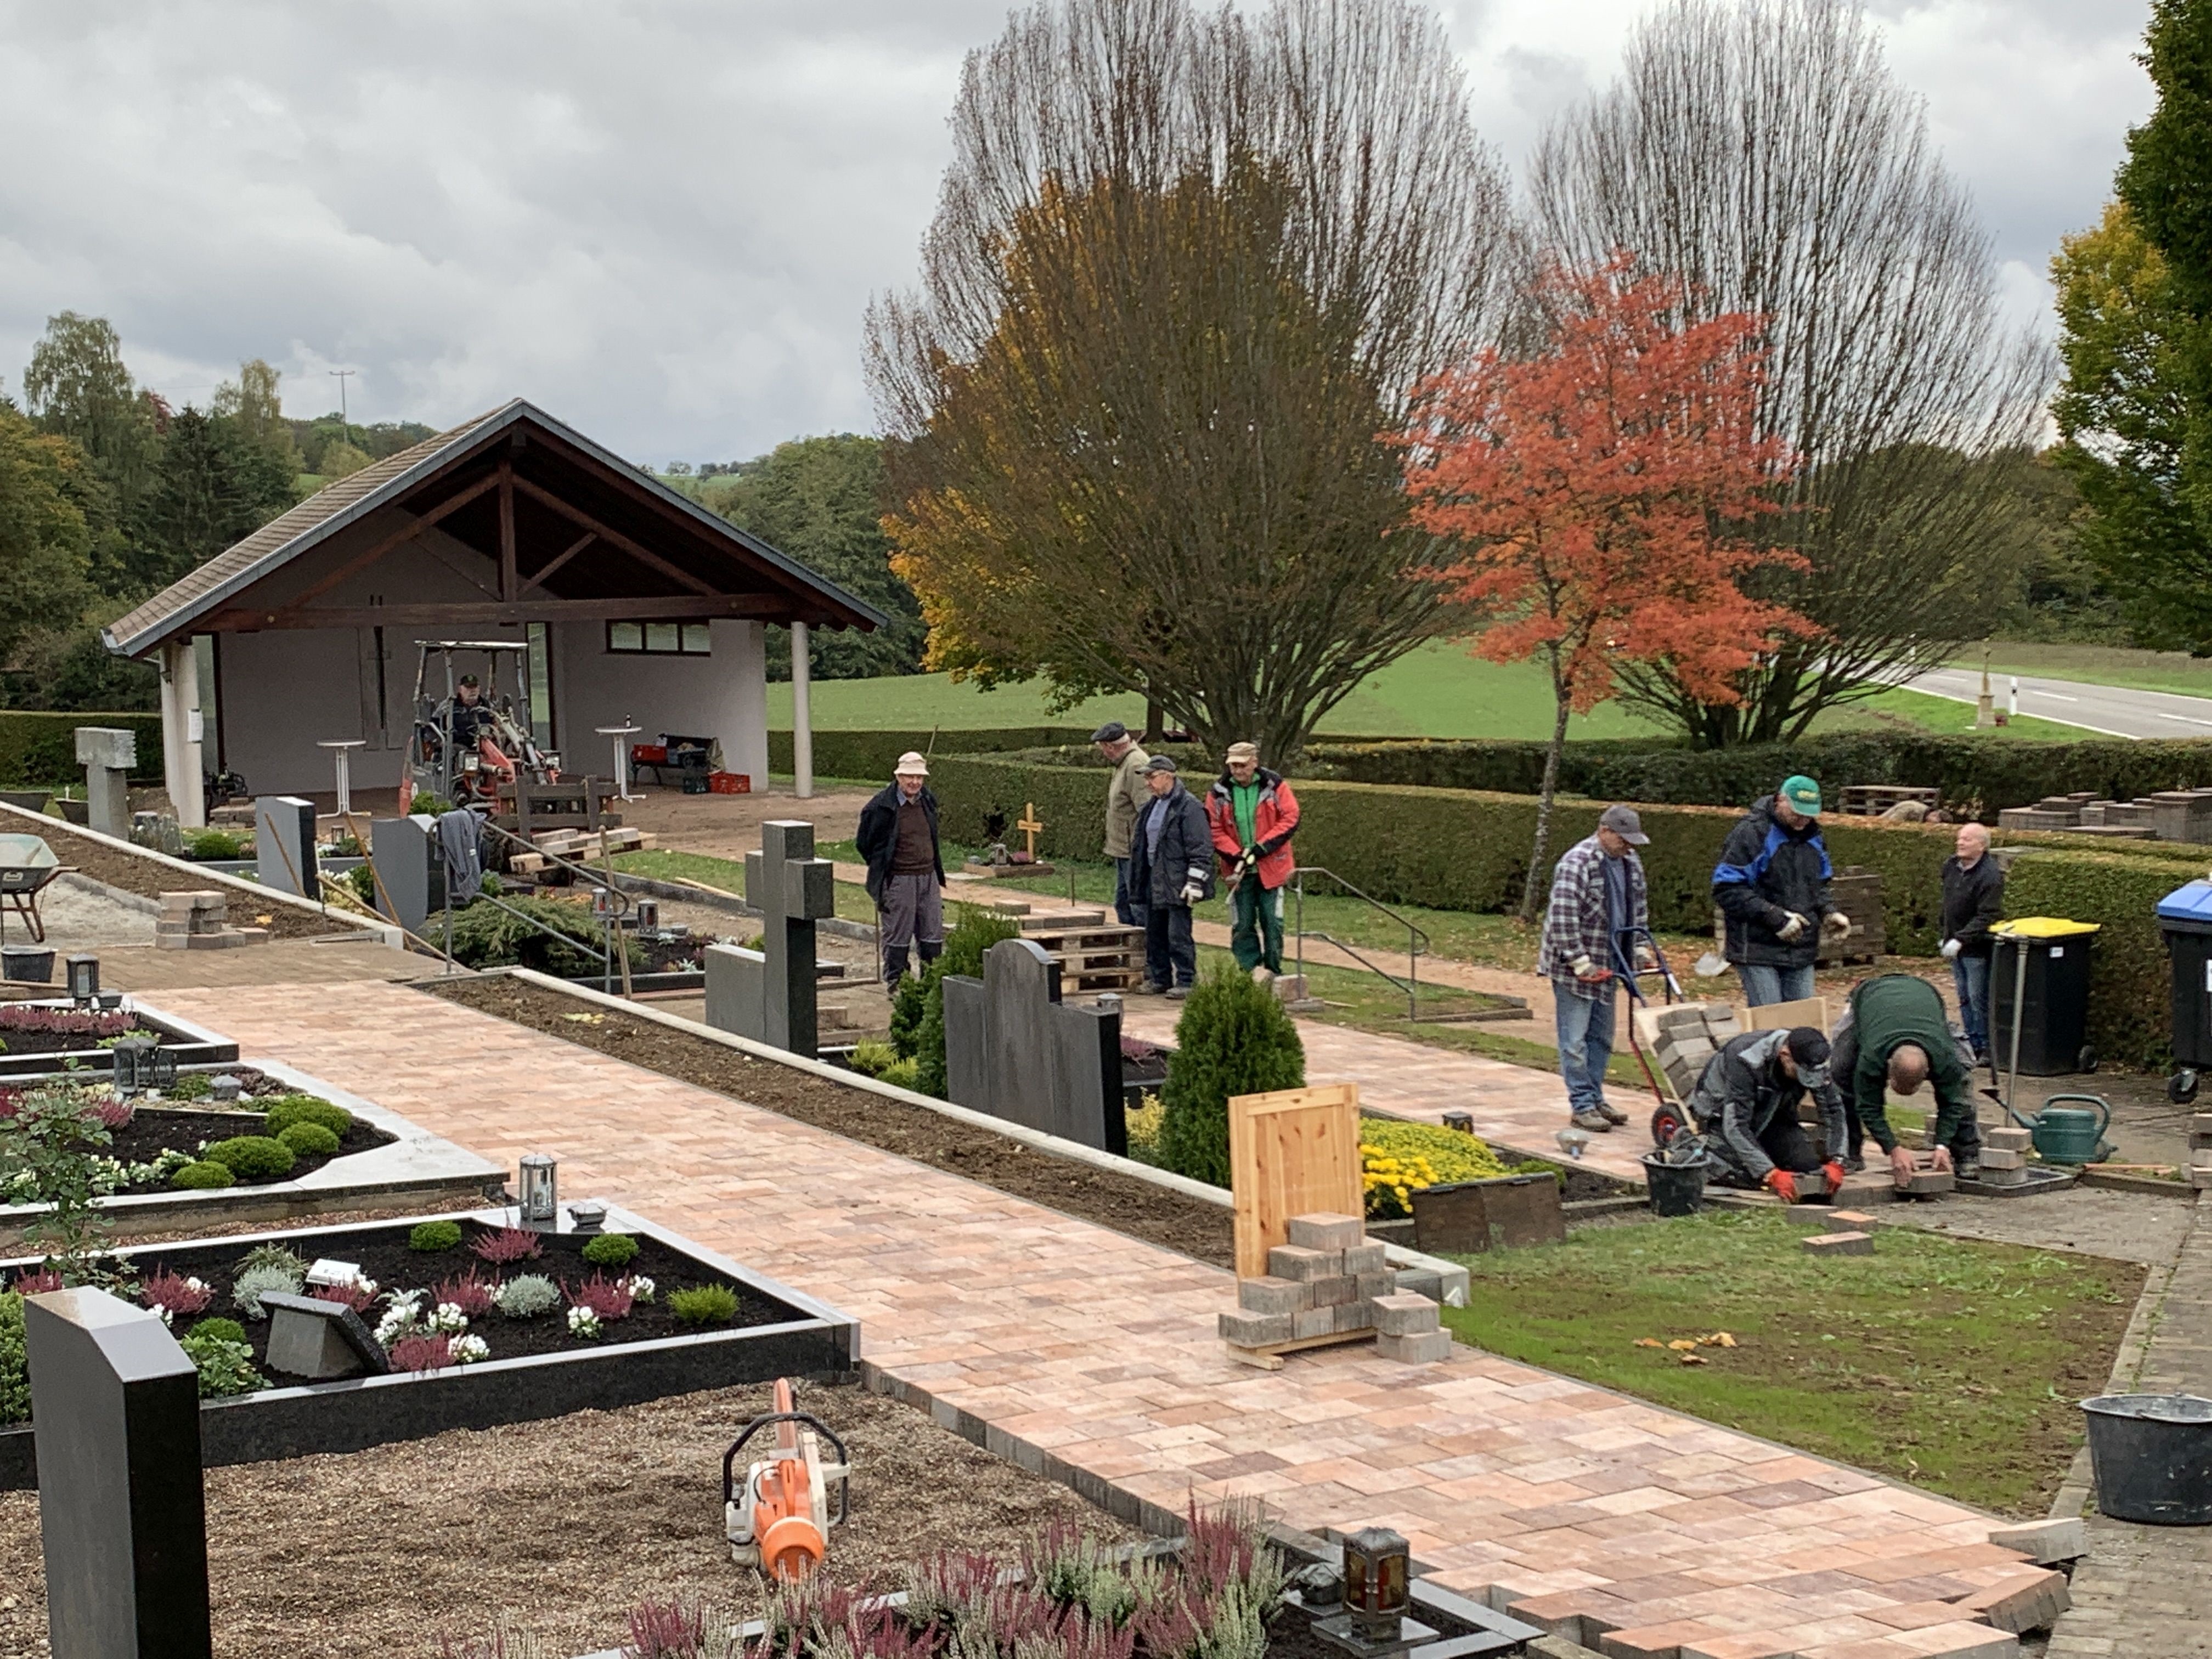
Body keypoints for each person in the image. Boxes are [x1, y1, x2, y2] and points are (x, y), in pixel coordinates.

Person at [1537, 805, 1654, 1134]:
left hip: (1611, 959)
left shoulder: (1630, 862)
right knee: (1574, 1039)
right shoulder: (1576, 863)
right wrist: (1579, 960)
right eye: (1623, 840)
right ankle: (1582, 1105)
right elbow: (1562, 917)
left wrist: (1641, 947)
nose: (1629, 847)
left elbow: (1639, 907)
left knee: (1602, 1037)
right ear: (1605, 831)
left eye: (1633, 841)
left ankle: (1597, 1096)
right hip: (1574, 965)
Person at [1827, 973, 1983, 1182]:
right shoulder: (1872, 1057)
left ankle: (1966, 1152)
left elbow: (1953, 1102)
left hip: (1925, 998)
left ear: (1928, 1070)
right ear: (1888, 1066)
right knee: (1841, 1072)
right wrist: (1893, 1149)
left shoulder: (1944, 1058)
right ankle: (1848, 1152)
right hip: (1870, 999)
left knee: (1961, 1082)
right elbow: (1868, 1106)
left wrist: (1941, 1144)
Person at [1711, 774, 1850, 1006]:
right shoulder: (1752, 833)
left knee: (1801, 1024)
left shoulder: (1815, 837)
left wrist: (1829, 911)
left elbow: (1819, 884)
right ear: (1780, 801)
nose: (1803, 819)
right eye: (1797, 812)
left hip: (1801, 947)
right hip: (1757, 948)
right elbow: (1726, 888)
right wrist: (1774, 917)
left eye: (1809, 814)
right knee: (1770, 1021)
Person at [1686, 1025, 1850, 1201]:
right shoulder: (1745, 1059)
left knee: (1807, 1167)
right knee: (1749, 1176)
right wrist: (1769, 1173)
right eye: (1802, 1074)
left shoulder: (1813, 1057)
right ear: (1785, 1054)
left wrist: (1837, 1160)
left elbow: (1833, 1111)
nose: (1808, 1080)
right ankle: (1692, 1147)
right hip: (1720, 1118)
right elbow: (1736, 1125)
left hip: (1774, 1117)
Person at [1204, 741, 1301, 986]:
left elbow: (1290, 818)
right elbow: (1214, 828)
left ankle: (1274, 971)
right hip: (1238, 871)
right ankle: (1250, 972)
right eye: (1233, 766)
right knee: (1243, 923)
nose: (1237, 770)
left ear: (1254, 763)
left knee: (1273, 921)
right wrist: (1236, 855)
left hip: (1273, 867)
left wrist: (1261, 848)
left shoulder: (1275, 785)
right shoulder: (1218, 792)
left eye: (1242, 765)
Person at [855, 751, 945, 988]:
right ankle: (897, 983)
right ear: (898, 777)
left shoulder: (927, 800)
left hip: (928, 877)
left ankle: (932, 984)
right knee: (898, 934)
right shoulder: (880, 807)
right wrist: (882, 868)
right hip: (899, 879)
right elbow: (864, 844)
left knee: (932, 932)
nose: (915, 782)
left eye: (919, 778)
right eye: (909, 777)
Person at [1128, 755, 1214, 998]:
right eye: (1146, 777)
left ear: (1169, 776)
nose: (1148, 783)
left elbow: (1201, 848)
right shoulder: (1151, 807)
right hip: (1154, 879)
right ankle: (1160, 978)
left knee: (1178, 934)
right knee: (1154, 932)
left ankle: (1186, 980)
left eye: (1152, 777)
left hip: (1177, 881)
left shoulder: (1189, 807)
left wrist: (1195, 881)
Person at [1939, 822, 2005, 1062]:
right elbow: (1947, 903)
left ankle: (1987, 1046)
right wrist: (1945, 934)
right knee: (1964, 996)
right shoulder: (1951, 866)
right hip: (1955, 944)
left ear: (1981, 845)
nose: (1960, 843)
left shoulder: (1990, 876)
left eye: (1966, 839)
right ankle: (1971, 1042)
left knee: (1978, 998)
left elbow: (1987, 915)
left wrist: (1961, 939)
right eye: (1959, 838)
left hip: (1976, 948)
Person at [1093, 721, 1153, 929]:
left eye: (1102, 747)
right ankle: (1131, 951)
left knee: (1137, 904)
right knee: (1123, 903)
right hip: (1123, 849)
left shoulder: (1136, 764)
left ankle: (1148, 953)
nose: (1102, 752)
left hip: (1134, 851)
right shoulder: (1124, 763)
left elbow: (1147, 810)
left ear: (1110, 746)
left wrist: (1141, 849)